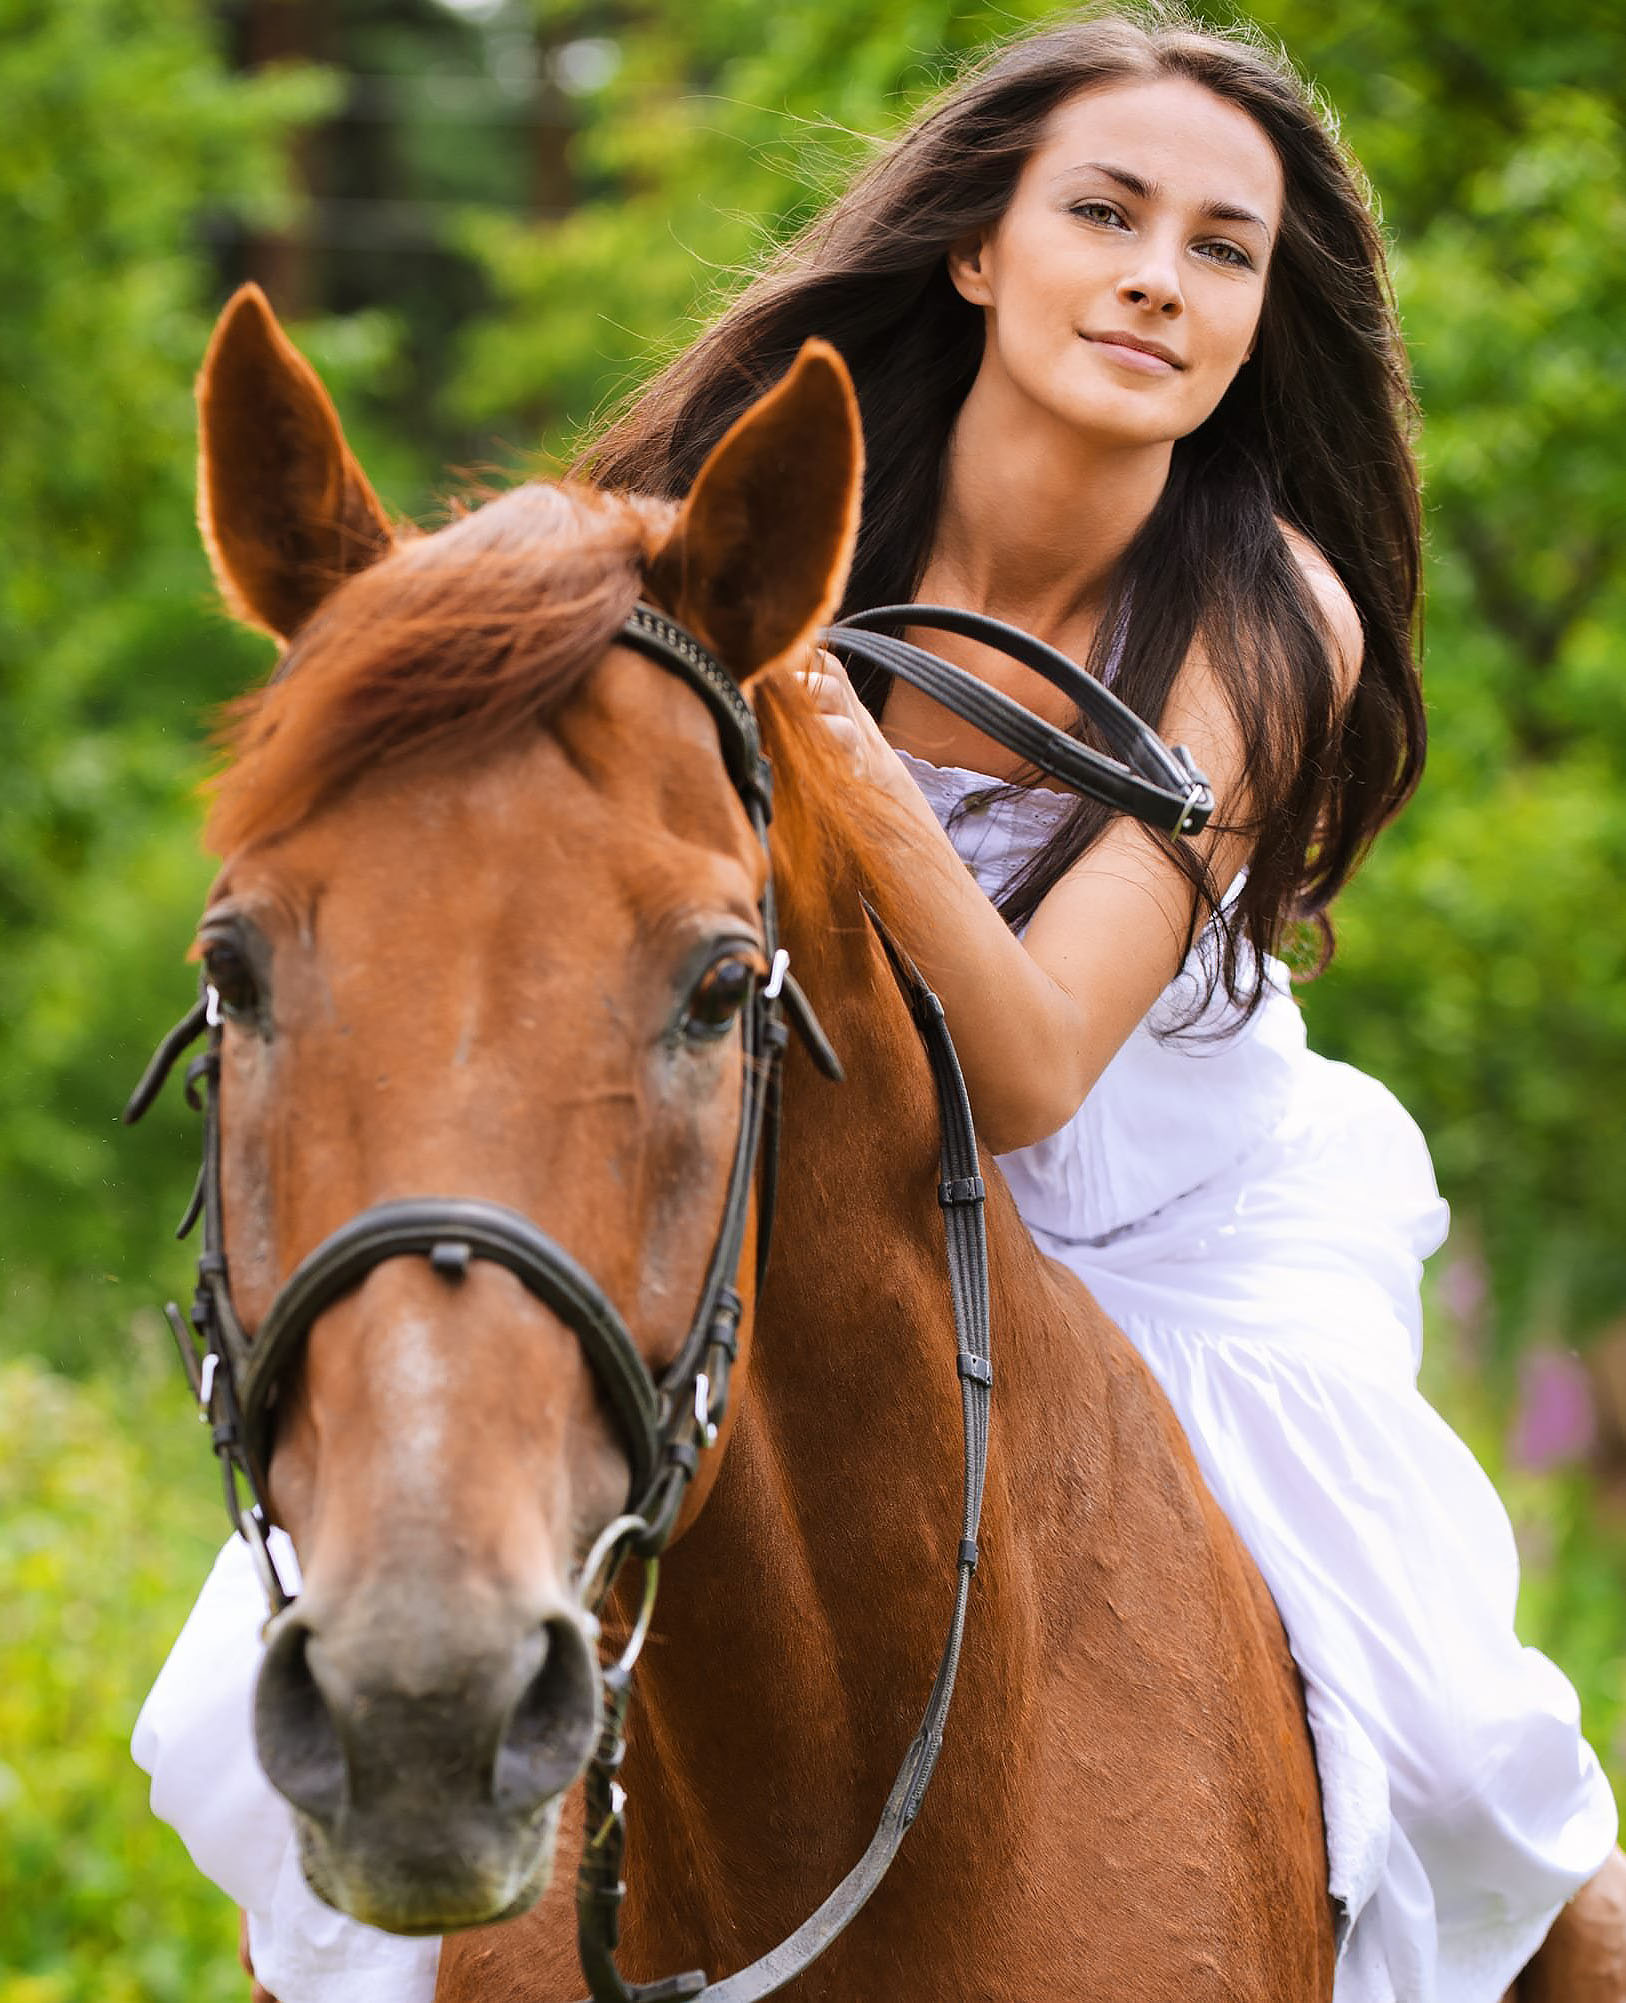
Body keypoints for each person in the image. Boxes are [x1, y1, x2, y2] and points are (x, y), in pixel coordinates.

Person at [134, 10, 1621, 2001]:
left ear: (1265, 312)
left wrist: (812, 724)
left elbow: (1026, 1074)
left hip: (1154, 1206)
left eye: (1223, 248)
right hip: (802, 1154)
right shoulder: (728, 512)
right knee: (281, 1673)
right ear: (981, 249)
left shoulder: (1269, 615)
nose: (1159, 278)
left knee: (1453, 1758)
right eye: (1105, 213)